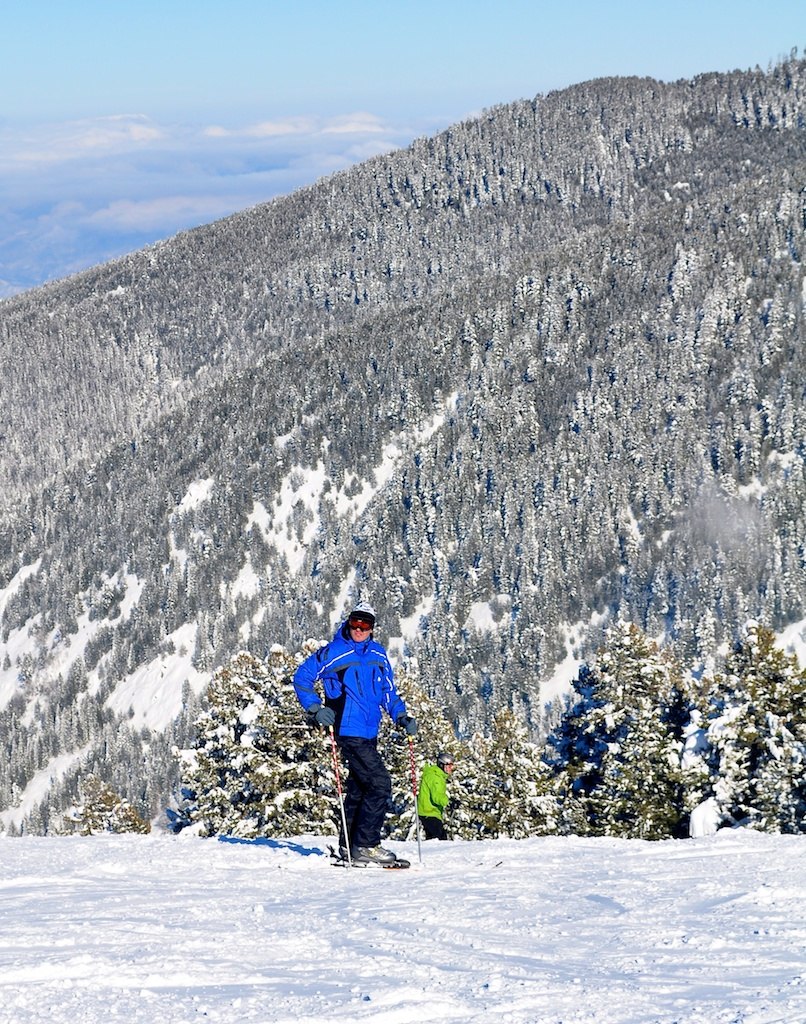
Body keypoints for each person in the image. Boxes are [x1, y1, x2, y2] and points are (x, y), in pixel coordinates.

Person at [292, 600, 417, 866]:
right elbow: (302, 677)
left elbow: (388, 693)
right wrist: (315, 708)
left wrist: (401, 715)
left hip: (371, 730)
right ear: (348, 623)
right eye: (355, 623)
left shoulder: (379, 654)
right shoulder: (334, 652)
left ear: (373, 628)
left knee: (360, 787)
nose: (359, 629)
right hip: (347, 729)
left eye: (365, 624)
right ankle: (366, 845)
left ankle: (348, 846)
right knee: (380, 783)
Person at [417, 751, 455, 840]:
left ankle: (429, 853)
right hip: (429, 812)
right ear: (442, 765)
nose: (451, 768)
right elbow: (436, 797)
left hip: (429, 812)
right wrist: (448, 802)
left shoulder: (437, 775)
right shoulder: (435, 777)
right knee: (440, 840)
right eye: (449, 766)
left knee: (433, 840)